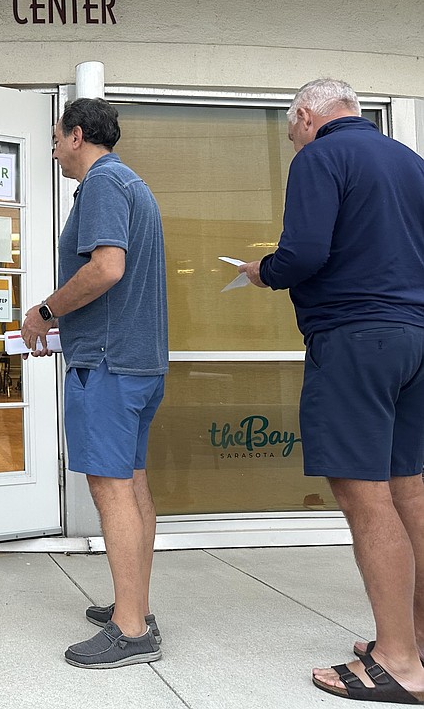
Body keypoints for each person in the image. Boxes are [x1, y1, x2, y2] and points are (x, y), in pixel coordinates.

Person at [238, 78, 424, 704]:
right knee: (412, 492)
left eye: (291, 131)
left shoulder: (321, 156)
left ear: (308, 115)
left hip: (354, 339)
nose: (292, 142)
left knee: (364, 497)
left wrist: (261, 271)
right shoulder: (409, 161)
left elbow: (305, 253)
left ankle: (397, 662)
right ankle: (415, 641)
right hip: (416, 340)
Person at [20, 97, 167, 668]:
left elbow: (107, 267)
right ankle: (135, 607)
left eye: (57, 138)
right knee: (131, 483)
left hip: (108, 363)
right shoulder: (134, 183)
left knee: (111, 490)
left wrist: (45, 313)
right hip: (138, 359)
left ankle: (131, 633)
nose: (54, 150)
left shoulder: (104, 183)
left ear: (76, 135)